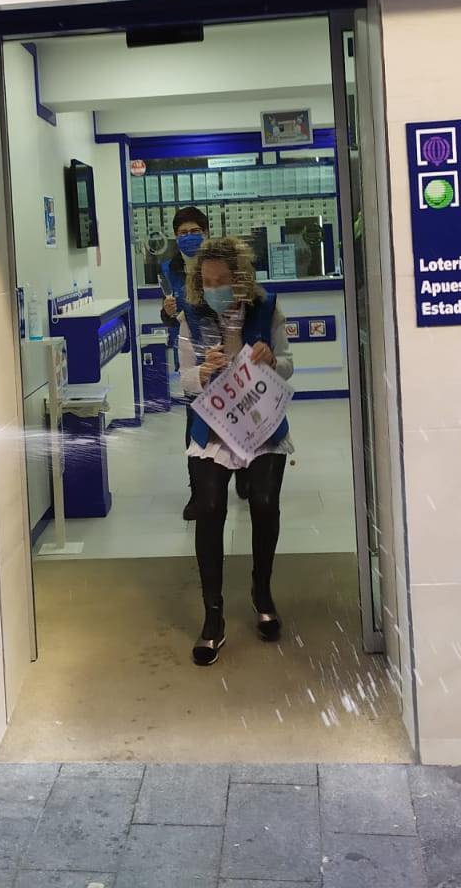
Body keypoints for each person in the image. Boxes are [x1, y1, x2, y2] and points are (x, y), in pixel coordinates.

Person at [179, 235, 293, 666]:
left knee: (264, 503)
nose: (214, 288)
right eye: (207, 281)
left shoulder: (266, 308)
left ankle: (262, 593)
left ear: (240, 278)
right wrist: (202, 372)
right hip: (213, 429)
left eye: (222, 280)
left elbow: (288, 363)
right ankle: (213, 617)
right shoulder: (191, 316)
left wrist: (272, 361)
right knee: (209, 508)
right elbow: (182, 378)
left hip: (261, 423)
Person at [159, 207, 210, 522]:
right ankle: (198, 492)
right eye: (183, 233)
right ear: (175, 237)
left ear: (206, 232)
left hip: (224, 348)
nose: (189, 237)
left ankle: (244, 473)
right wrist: (166, 312)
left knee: (235, 414)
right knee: (195, 422)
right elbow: (169, 316)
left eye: (195, 232)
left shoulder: (221, 260)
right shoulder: (169, 268)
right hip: (190, 352)